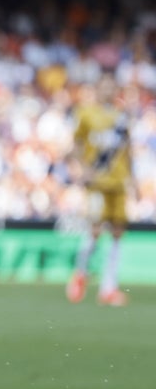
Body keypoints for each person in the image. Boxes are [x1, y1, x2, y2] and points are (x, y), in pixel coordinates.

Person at [65, 76, 134, 307]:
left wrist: (132, 178)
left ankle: (108, 288)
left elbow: (128, 148)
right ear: (96, 90)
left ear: (116, 90)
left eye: (111, 87)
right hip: (97, 182)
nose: (108, 90)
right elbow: (76, 144)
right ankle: (80, 274)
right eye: (104, 87)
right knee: (94, 231)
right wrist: (83, 170)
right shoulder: (86, 113)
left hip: (118, 182)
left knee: (117, 233)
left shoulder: (122, 116)